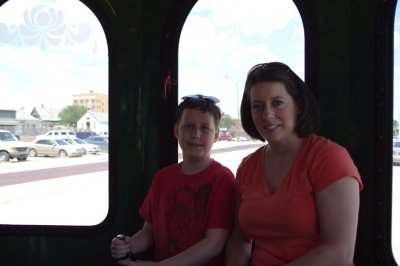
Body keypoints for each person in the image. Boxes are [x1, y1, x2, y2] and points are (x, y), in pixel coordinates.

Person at [225, 62, 363, 266]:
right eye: (258, 106)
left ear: (298, 104)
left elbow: (339, 253)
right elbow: (239, 240)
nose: (267, 115)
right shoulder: (247, 168)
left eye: (277, 103)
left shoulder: (328, 158)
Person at [111, 94, 235, 266]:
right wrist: (129, 245)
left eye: (205, 128)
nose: (195, 134)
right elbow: (150, 231)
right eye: (188, 126)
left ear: (216, 135)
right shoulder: (162, 178)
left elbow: (214, 244)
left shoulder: (222, 179)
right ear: (176, 130)